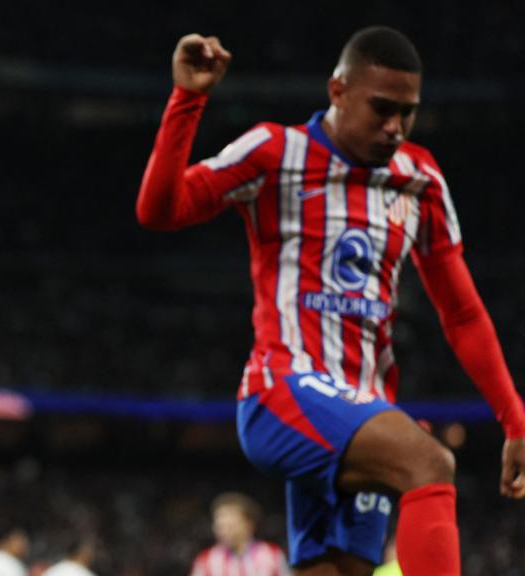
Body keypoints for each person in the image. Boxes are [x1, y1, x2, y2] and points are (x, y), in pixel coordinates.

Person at [136, 26, 525, 576]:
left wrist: (515, 417)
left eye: (407, 113)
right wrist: (188, 99)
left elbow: (461, 312)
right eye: (382, 109)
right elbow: (161, 209)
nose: (394, 127)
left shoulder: (420, 179)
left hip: (363, 407)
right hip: (283, 389)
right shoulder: (277, 150)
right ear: (338, 89)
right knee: (430, 463)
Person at [190, 492, 290, 576]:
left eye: (230, 525)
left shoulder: (272, 556)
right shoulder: (206, 560)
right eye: (220, 526)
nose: (223, 531)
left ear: (249, 525)